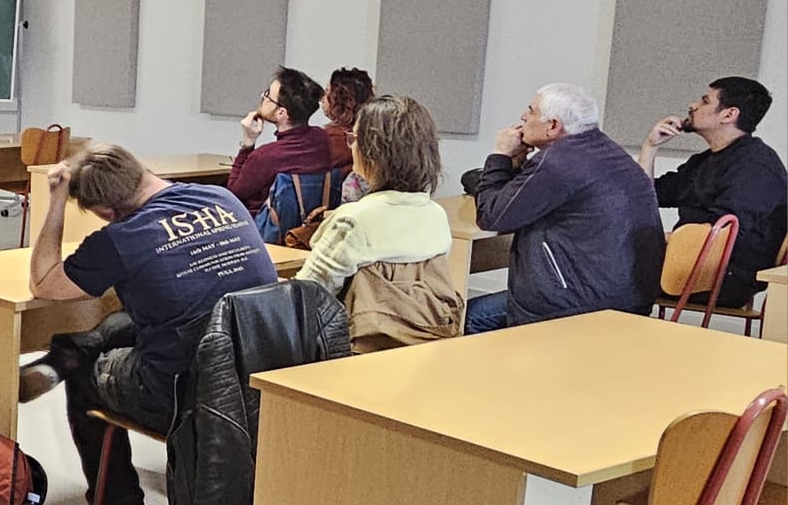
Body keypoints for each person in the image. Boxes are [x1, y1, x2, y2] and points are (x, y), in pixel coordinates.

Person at [18, 143, 278, 505]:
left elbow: (43, 282)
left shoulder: (119, 240)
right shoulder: (222, 198)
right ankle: (66, 354)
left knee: (88, 375)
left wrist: (57, 202)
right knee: (128, 321)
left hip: (186, 391)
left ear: (105, 210)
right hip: (257, 376)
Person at [464, 83, 664, 333]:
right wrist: (517, 165)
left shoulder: (558, 162)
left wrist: (500, 155)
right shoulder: (609, 151)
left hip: (579, 306)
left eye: (531, 111)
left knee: (468, 317)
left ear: (553, 126)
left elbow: (492, 216)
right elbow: (525, 199)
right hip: (627, 298)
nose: (523, 117)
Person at [295, 95, 460, 347]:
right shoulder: (436, 215)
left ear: (375, 151)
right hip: (427, 348)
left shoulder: (354, 221)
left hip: (358, 353)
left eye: (354, 138)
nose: (351, 146)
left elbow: (306, 298)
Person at [638, 77, 786, 308]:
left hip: (725, 278)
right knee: (605, 268)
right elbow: (644, 197)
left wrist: (659, 241)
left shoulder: (756, 166)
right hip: (688, 264)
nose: (693, 105)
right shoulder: (705, 161)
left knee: (608, 274)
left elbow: (725, 232)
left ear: (728, 114)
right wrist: (650, 147)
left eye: (704, 101)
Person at [226, 66, 332, 214]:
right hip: (308, 224)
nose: (262, 96)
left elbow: (233, 194)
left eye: (268, 96)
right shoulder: (322, 139)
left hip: (263, 225)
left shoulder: (265, 156)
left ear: (281, 112)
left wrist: (247, 144)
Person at [321, 66, 375, 172]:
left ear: (340, 99)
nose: (322, 99)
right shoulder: (373, 136)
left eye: (327, 92)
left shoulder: (330, 139)